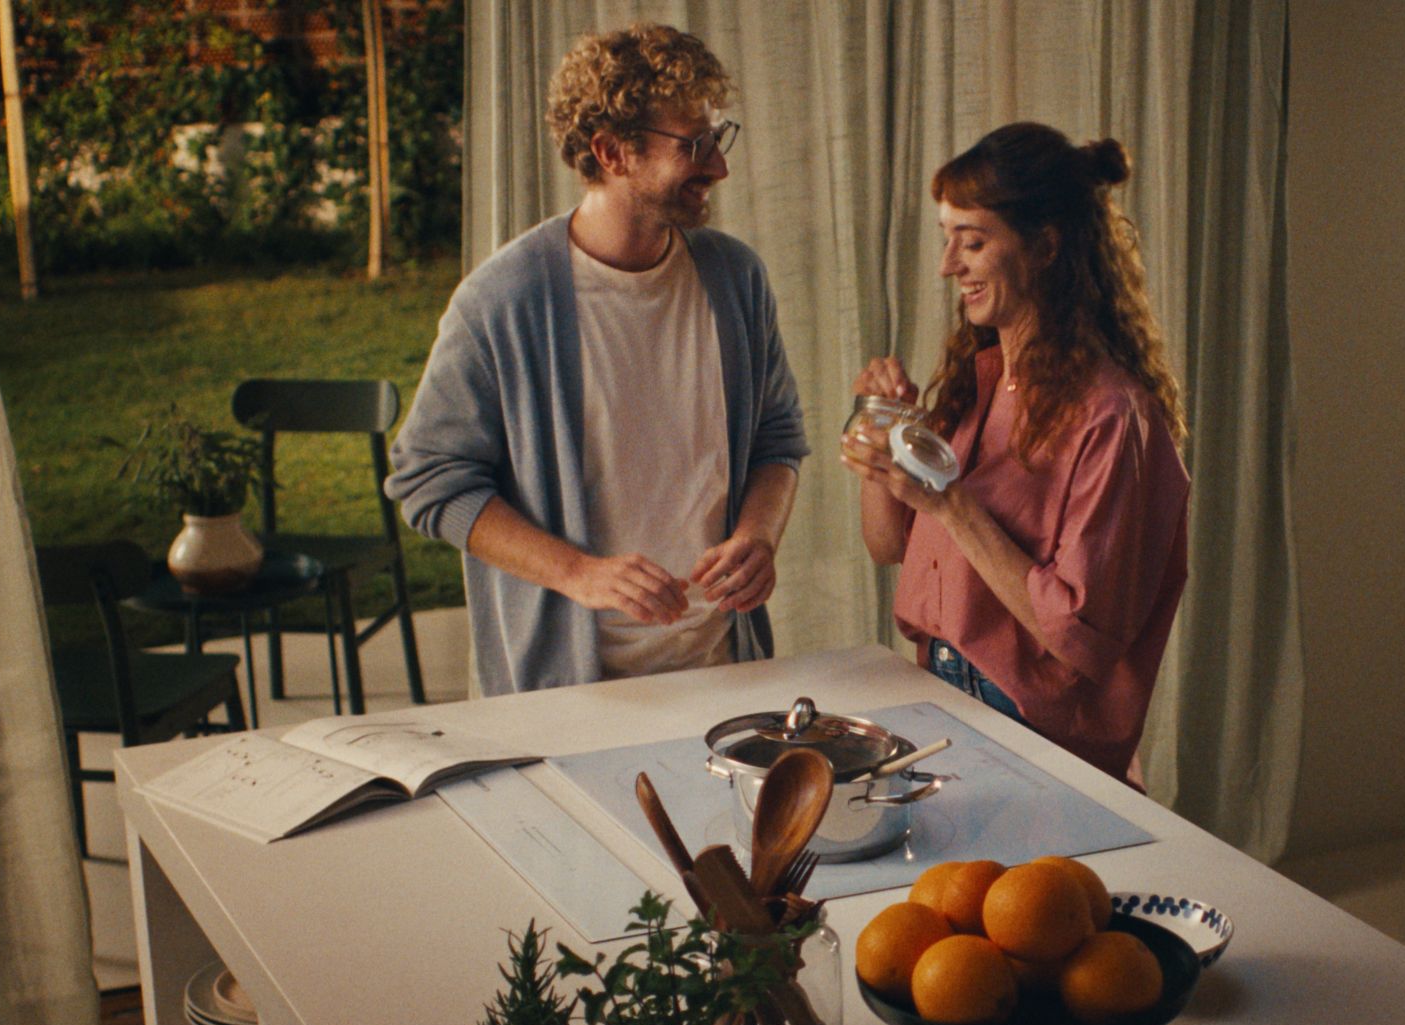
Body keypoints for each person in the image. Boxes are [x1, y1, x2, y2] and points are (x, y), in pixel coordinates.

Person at [385, 23, 806, 695]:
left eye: (716, 139)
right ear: (612, 152)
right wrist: (581, 575)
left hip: (727, 668)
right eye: (694, 146)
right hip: (569, 690)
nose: (718, 168)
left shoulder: (736, 279)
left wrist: (759, 532)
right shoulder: (502, 302)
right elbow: (428, 481)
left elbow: (778, 440)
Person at [839, 123, 1190, 783]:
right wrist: (886, 437)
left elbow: (1075, 637)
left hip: (1041, 738)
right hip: (941, 697)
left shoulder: (1114, 417)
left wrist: (951, 504)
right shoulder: (981, 381)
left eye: (972, 242)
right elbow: (888, 544)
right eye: (947, 240)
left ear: (1045, 247)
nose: (948, 266)